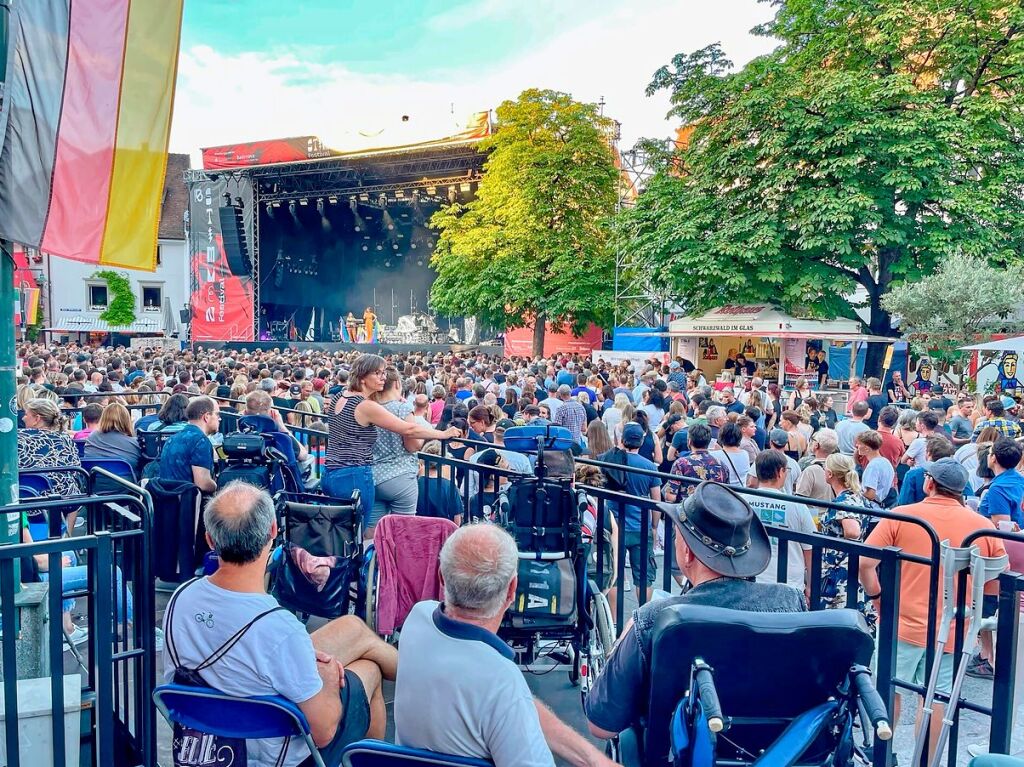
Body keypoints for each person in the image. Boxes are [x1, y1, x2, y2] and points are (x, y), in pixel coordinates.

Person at [163, 482, 396, 766]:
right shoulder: (279, 629)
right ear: (274, 531)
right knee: (370, 668)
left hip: (212, 732)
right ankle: (429, 679)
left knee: (353, 627)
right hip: (275, 756)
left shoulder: (181, 598)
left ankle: (420, 672)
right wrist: (327, 679)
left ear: (210, 541)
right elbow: (323, 732)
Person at [585, 482, 805, 740]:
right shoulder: (792, 602)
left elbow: (601, 725)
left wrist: (623, 644)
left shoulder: (654, 618)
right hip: (777, 750)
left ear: (687, 553)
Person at [396, 523, 614, 767]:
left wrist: (591, 759)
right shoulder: (500, 680)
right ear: (512, 590)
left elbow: (509, 703)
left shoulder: (418, 620)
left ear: (441, 577)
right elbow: (504, 698)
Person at [859, 459, 1006, 764]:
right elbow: (997, 573)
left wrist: (877, 597)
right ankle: (928, 760)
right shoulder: (982, 525)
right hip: (953, 627)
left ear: (929, 483)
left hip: (901, 620)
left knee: (888, 687)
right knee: (936, 697)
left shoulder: (903, 516)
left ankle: (882, 754)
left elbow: (864, 563)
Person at [323, 355, 459, 537]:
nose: (383, 377)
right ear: (363, 377)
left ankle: (357, 564)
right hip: (355, 476)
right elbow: (409, 430)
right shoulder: (365, 406)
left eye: (383, 373)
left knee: (355, 534)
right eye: (377, 373)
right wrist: (443, 434)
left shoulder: (340, 396)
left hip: (333, 473)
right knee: (363, 535)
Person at [598, 423, 662, 603]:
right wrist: (655, 527)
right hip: (640, 525)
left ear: (622, 439)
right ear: (641, 441)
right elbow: (656, 500)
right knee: (643, 577)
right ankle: (643, 618)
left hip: (613, 525)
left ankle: (615, 624)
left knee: (614, 576)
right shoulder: (649, 466)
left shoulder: (605, 460)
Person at [747, 450, 815, 595]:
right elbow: (810, 549)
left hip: (750, 579)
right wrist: (811, 585)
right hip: (789, 585)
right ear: (780, 472)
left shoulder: (742, 501)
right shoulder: (797, 506)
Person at [819, 454, 873, 628]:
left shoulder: (844, 500)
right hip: (852, 564)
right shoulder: (858, 497)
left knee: (836, 619)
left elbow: (853, 531)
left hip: (839, 568)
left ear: (829, 474)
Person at [370, 369, 422, 521]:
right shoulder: (402, 408)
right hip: (400, 476)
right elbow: (413, 445)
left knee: (373, 532)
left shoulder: (369, 408)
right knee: (404, 529)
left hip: (373, 476)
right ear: (397, 383)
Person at [18, 397, 84, 500]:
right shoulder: (64, 437)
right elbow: (75, 470)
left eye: (26, 414)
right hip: (65, 499)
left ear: (37, 419)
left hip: (27, 497)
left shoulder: (18, 437)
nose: (23, 418)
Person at [158, 396, 220, 494]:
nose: (219, 419)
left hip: (167, 502)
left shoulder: (172, 439)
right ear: (206, 416)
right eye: (217, 414)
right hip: (187, 504)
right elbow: (202, 484)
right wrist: (219, 485)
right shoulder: (200, 441)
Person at [665, 423, 727, 501]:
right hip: (713, 510)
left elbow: (670, 497)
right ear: (708, 442)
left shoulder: (681, 464)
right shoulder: (721, 465)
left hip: (687, 510)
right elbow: (726, 495)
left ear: (689, 442)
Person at [978, 437, 1024, 529]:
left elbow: (1004, 528)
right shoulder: (1020, 479)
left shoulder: (998, 489)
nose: (987, 456)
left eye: (990, 453)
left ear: (993, 458)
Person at [84, 401, 141, 473]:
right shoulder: (135, 443)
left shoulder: (92, 437)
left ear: (103, 418)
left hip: (95, 482)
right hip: (126, 483)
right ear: (127, 420)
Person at [898, 435, 955, 506]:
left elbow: (903, 503)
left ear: (928, 453)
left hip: (916, 515)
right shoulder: (955, 476)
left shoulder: (913, 474)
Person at [416, 441, 464, 524]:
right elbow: (457, 520)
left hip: (418, 531)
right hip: (443, 532)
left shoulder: (414, 484)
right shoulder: (450, 487)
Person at [745, 430, 802, 494]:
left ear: (770, 442)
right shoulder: (794, 463)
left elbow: (752, 483)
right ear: (786, 443)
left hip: (762, 498)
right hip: (786, 500)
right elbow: (798, 485)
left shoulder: (762, 458)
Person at [795, 428, 838, 502]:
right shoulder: (839, 468)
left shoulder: (810, 471)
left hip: (812, 512)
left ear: (816, 445)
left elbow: (800, 499)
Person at [856, 430, 896, 505]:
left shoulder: (873, 466)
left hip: (873, 508)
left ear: (867, 448)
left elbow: (870, 495)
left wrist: (855, 496)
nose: (857, 445)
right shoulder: (886, 462)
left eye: (859, 444)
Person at [708, 421, 749, 486]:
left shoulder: (713, 455)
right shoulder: (745, 454)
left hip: (724, 492)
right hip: (740, 492)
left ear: (721, 436)